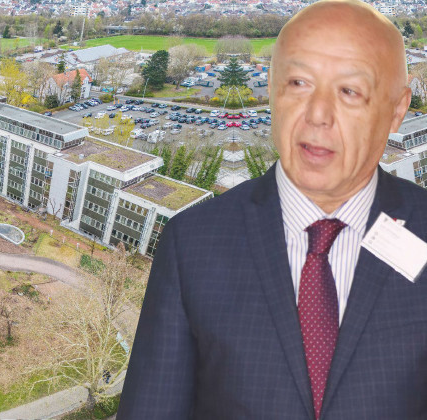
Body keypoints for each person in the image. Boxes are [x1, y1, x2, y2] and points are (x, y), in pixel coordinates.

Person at [118, 1, 423, 418]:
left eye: (349, 91)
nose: (317, 115)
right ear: (272, 91)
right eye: (298, 83)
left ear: (396, 110)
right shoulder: (191, 244)